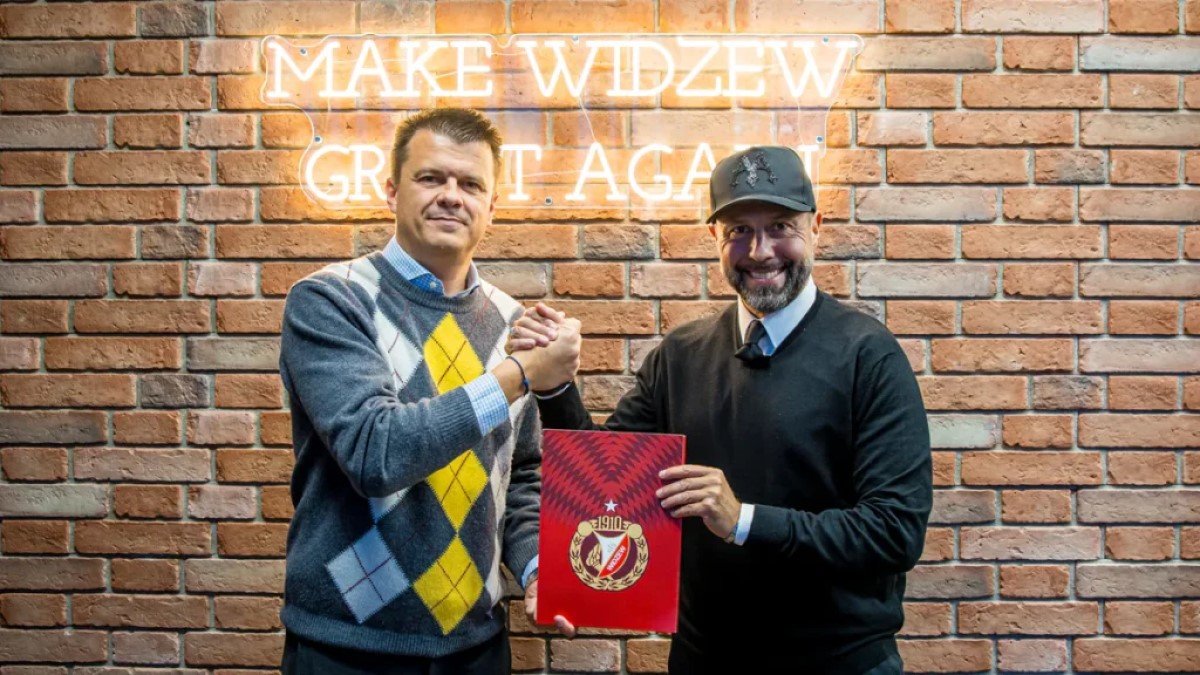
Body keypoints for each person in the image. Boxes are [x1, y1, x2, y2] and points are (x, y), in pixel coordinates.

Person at [511, 146, 932, 674]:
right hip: (702, 659)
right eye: (739, 230)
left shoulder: (868, 356)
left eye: (780, 226)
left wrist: (743, 520)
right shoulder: (680, 354)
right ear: (715, 237)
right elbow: (605, 482)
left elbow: (894, 532)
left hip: (839, 662)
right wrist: (554, 386)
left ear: (816, 227)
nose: (760, 251)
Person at [278, 108, 574, 675]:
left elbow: (523, 477)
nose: (451, 197)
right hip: (348, 649)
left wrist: (537, 568)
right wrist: (518, 375)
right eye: (431, 177)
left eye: (471, 185)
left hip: (477, 647)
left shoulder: (512, 324)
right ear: (391, 190)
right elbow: (376, 452)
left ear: (493, 205)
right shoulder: (331, 299)